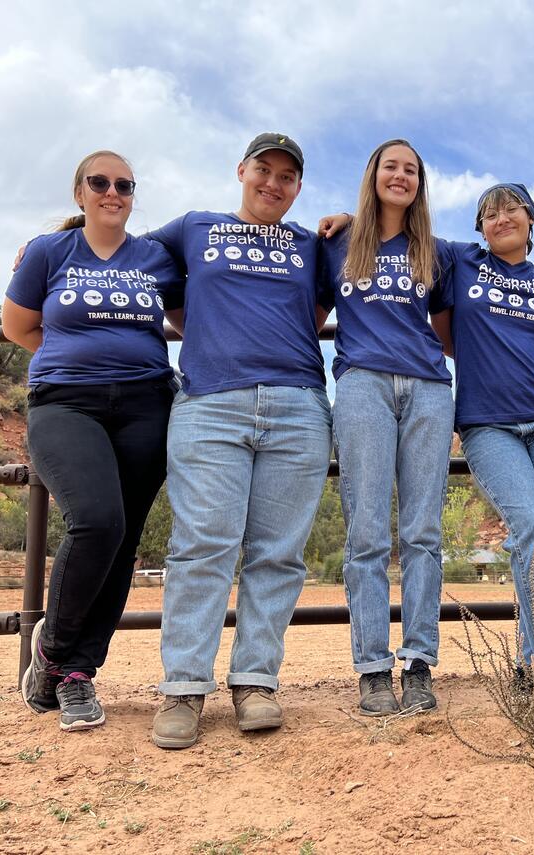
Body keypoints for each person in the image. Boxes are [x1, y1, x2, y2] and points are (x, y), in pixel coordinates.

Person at [146, 133, 336, 748]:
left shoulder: (311, 244)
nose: (272, 183)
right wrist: (54, 243)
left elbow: (372, 266)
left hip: (299, 404)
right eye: (263, 170)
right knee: (203, 544)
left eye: (287, 176)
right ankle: (183, 688)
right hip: (211, 404)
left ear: (298, 187)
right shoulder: (194, 228)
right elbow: (116, 252)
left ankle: (256, 682)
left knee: (278, 553)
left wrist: (356, 218)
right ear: (241, 171)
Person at [4, 150, 181, 731]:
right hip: (65, 405)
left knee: (123, 542)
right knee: (97, 521)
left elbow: (186, 317)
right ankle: (51, 653)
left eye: (124, 184)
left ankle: (78, 674)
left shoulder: (154, 256)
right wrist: (75, 364)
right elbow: (18, 326)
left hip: (146, 406)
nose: (113, 192)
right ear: (79, 192)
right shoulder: (50, 251)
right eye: (99, 182)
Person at [318, 139, 454, 716]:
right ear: (372, 173)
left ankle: (419, 664)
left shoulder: (437, 251)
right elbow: (307, 313)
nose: (400, 176)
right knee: (367, 532)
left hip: (426, 386)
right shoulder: (334, 243)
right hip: (361, 384)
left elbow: (447, 331)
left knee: (423, 531)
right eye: (390, 166)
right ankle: (372, 667)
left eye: (411, 170)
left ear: (420, 183)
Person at [431, 183, 534, 678]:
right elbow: (405, 233)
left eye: (510, 209)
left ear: (531, 219)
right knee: (532, 528)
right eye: (489, 214)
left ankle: (532, 663)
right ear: (479, 228)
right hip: (488, 422)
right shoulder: (460, 262)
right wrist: (349, 218)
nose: (500, 219)